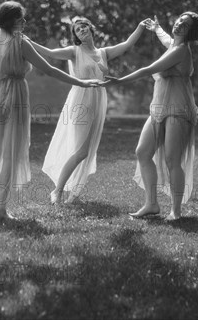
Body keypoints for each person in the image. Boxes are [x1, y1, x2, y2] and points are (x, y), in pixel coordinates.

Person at [0, 2, 101, 220]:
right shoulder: (20, 42)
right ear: (12, 20)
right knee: (11, 151)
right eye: (21, 18)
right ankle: (1, 209)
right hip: (15, 94)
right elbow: (49, 69)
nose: (24, 22)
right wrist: (82, 82)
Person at [30, 16, 151, 204]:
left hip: (98, 100)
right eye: (78, 29)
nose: (82, 29)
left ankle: (73, 193)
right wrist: (28, 42)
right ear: (76, 36)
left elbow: (127, 45)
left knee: (88, 150)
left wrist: (140, 26)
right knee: (81, 150)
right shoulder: (74, 51)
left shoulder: (104, 52)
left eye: (84, 26)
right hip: (80, 100)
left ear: (91, 28)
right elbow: (50, 53)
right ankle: (57, 191)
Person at [103, 12, 198, 221]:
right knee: (142, 152)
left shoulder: (182, 51)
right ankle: (151, 204)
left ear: (190, 32)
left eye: (185, 25)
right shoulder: (173, 46)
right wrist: (157, 28)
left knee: (172, 160)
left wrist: (119, 81)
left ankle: (176, 211)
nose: (179, 24)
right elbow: (168, 39)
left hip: (178, 109)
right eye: (179, 20)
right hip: (159, 107)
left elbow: (149, 69)